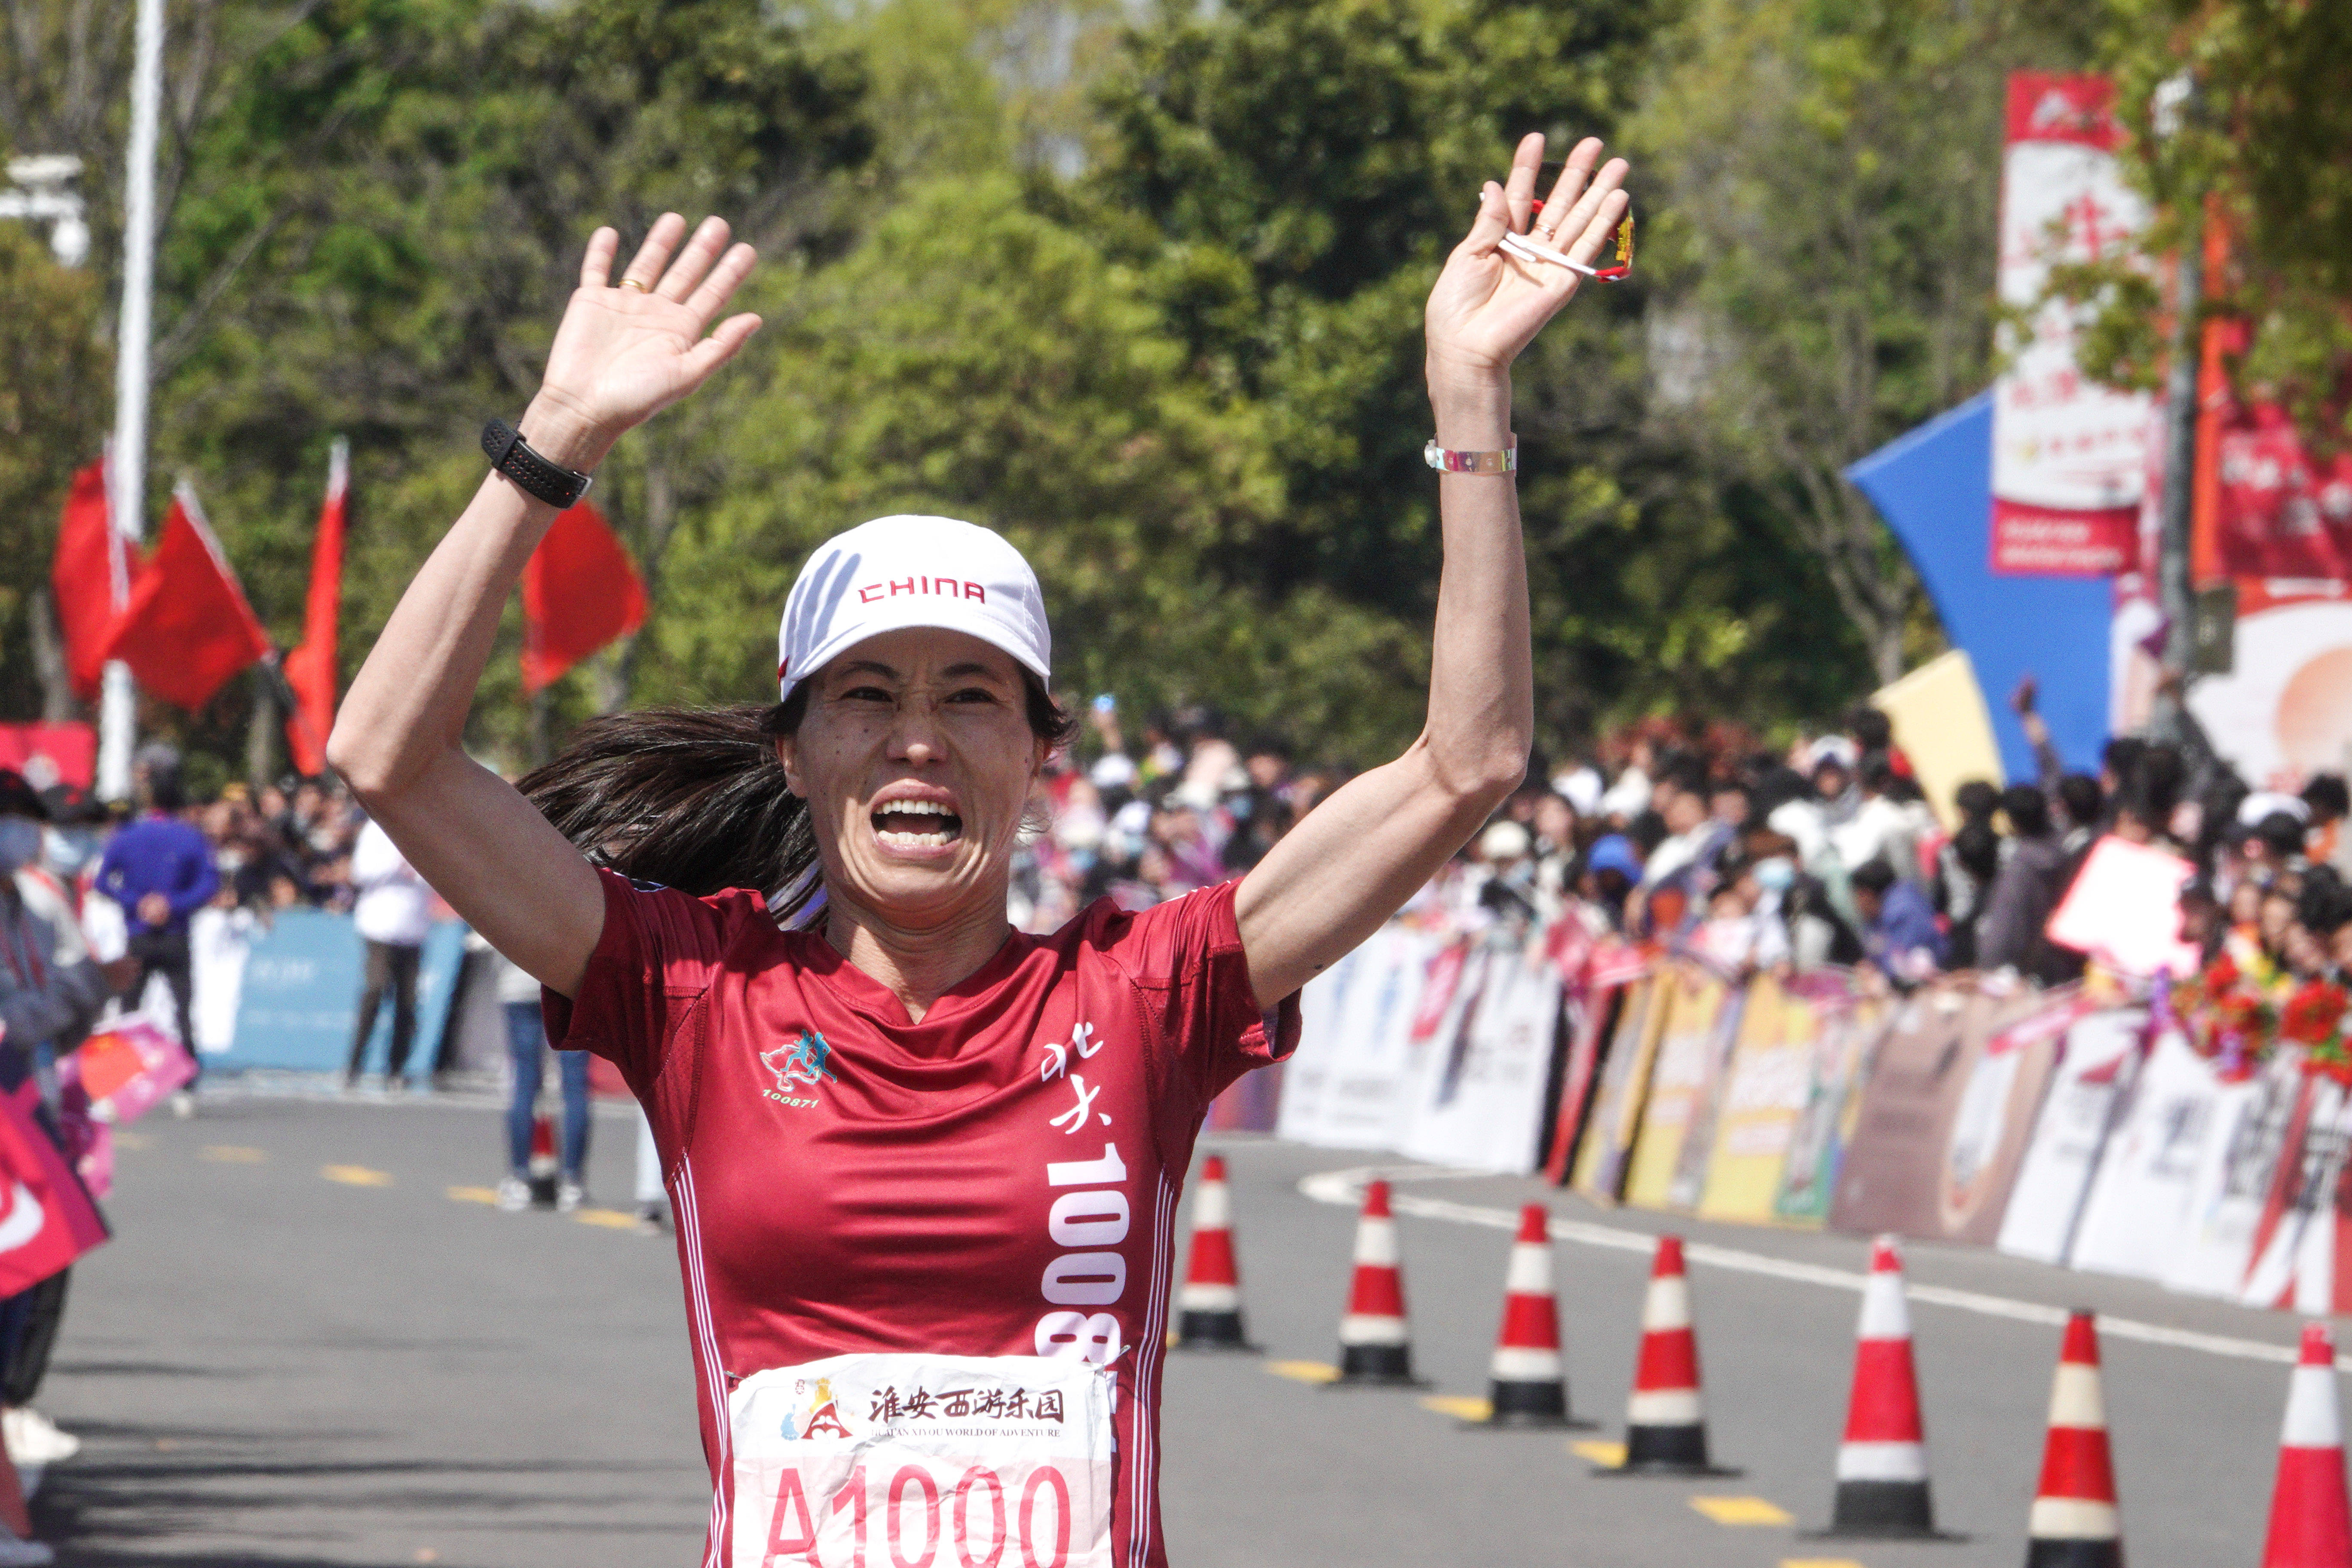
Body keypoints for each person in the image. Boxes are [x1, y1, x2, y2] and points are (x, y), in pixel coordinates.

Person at [326, 135, 1628, 1568]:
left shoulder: (1152, 990)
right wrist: (552, 438)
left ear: (1038, 751)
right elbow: (386, 754)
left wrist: (1469, 399)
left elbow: (1469, 760)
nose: (919, 741)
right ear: (795, 748)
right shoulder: (694, 989)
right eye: (868, 695)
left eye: (971, 697)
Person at [94, 765, 216, 1108]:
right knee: (183, 1010)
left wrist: (137, 903)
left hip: (138, 933)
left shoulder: (128, 836)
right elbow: (209, 883)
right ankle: (187, 1087)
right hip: (176, 933)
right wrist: (173, 905)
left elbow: (103, 881)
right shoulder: (191, 837)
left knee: (129, 1008)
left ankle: (114, 1086)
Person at [496, 950, 590, 1212]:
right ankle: (572, 1182)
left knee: (525, 1081)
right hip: (571, 983)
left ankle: (520, 1177)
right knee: (574, 1084)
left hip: (518, 982)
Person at [345, 817, 432, 1090]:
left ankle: (396, 1068)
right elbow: (361, 873)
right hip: (379, 926)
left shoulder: (428, 831)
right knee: (375, 990)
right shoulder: (376, 829)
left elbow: (439, 875)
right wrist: (396, 864)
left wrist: (416, 870)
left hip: (413, 928)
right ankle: (355, 1064)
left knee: (408, 1001)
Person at [1850, 858, 1944, 982]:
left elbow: (1903, 968)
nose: (1856, 903)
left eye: (1856, 896)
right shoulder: (1876, 916)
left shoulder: (1904, 912)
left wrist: (1876, 973)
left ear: (1866, 894)